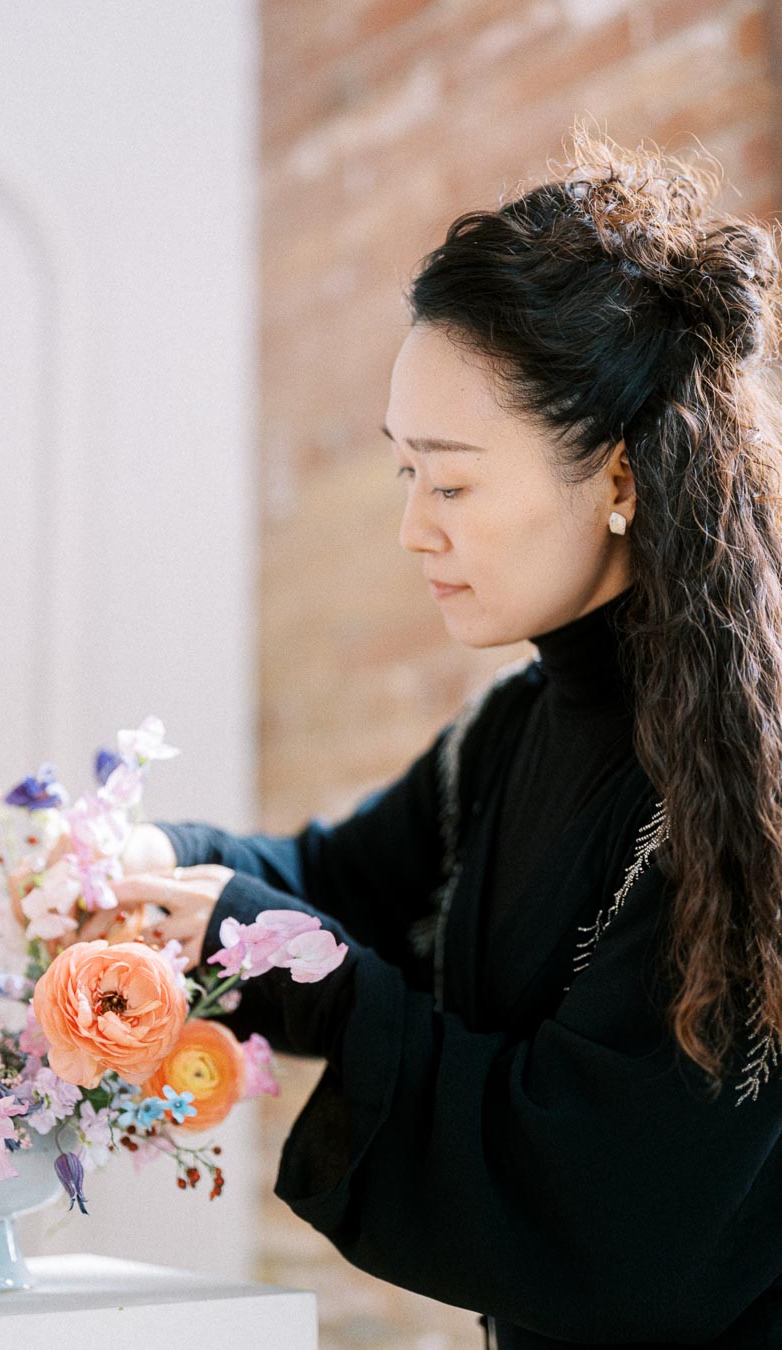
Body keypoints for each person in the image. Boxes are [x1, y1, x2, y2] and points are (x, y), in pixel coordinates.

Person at [76, 130, 782, 1347]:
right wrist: (136, 858)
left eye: (449, 484)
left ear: (618, 476)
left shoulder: (749, 784)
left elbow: (612, 1201)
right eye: (404, 472)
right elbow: (330, 883)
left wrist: (321, 977)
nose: (413, 530)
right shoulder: (511, 731)